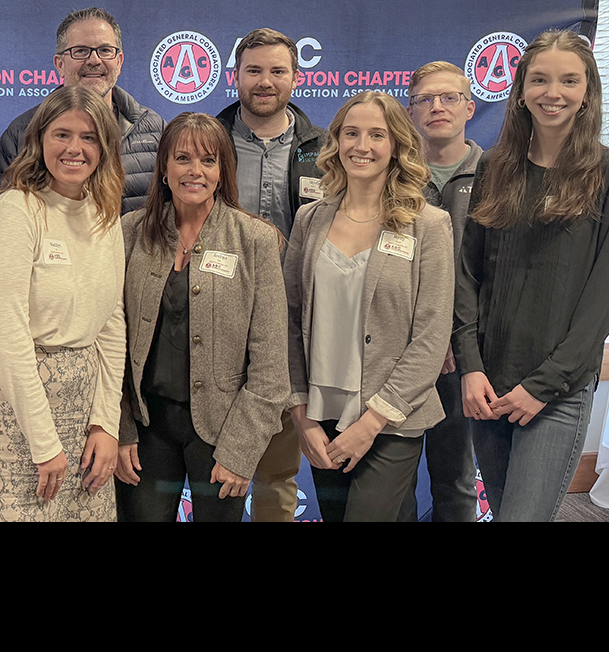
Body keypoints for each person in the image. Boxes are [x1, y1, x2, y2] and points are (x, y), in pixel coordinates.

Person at [454, 30, 609, 522]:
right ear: (520, 90)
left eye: (568, 80)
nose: (552, 92)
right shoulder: (494, 166)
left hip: (557, 389)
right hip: (487, 385)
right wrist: (470, 367)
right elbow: (469, 273)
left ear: (587, 91)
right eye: (539, 79)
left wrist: (545, 385)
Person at [0, 84, 125, 521]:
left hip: (84, 401)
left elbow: (111, 324)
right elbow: (5, 333)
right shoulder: (16, 210)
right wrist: (44, 443)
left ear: (105, 147)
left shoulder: (105, 214)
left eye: (89, 137)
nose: (75, 148)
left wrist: (106, 423)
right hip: (13, 408)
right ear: (39, 140)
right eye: (62, 134)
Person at [286, 91, 454, 522]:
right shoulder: (310, 219)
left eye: (377, 135)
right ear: (336, 142)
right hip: (322, 411)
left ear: (396, 145)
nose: (362, 146)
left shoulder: (429, 226)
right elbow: (288, 321)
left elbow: (432, 336)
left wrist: (371, 423)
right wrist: (301, 413)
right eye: (351, 133)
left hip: (392, 419)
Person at [116, 113, 290, 522]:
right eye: (182, 158)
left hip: (222, 432)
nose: (195, 171)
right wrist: (119, 429)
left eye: (208, 160)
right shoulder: (130, 232)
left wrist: (241, 451)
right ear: (163, 168)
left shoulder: (255, 240)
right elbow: (112, 343)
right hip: (145, 430)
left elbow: (270, 364)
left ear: (222, 171)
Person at [216, 28, 326, 524]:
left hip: (291, 326)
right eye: (254, 70)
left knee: (277, 473)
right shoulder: (207, 140)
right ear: (234, 76)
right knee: (215, 468)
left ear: (296, 78)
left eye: (277, 71)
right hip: (218, 320)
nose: (265, 81)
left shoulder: (324, 149)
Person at [400, 60, 483, 522]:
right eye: (424, 99)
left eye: (448, 97)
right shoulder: (396, 179)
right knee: (394, 479)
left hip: (466, 357)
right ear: (410, 113)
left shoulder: (496, 175)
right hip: (401, 352)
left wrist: (459, 343)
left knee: (454, 478)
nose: (437, 107)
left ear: (469, 107)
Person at [0, 6, 163, 214]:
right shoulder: (20, 133)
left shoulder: (153, 129)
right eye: (80, 51)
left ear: (119, 61)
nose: (94, 60)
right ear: (59, 64)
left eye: (105, 50)